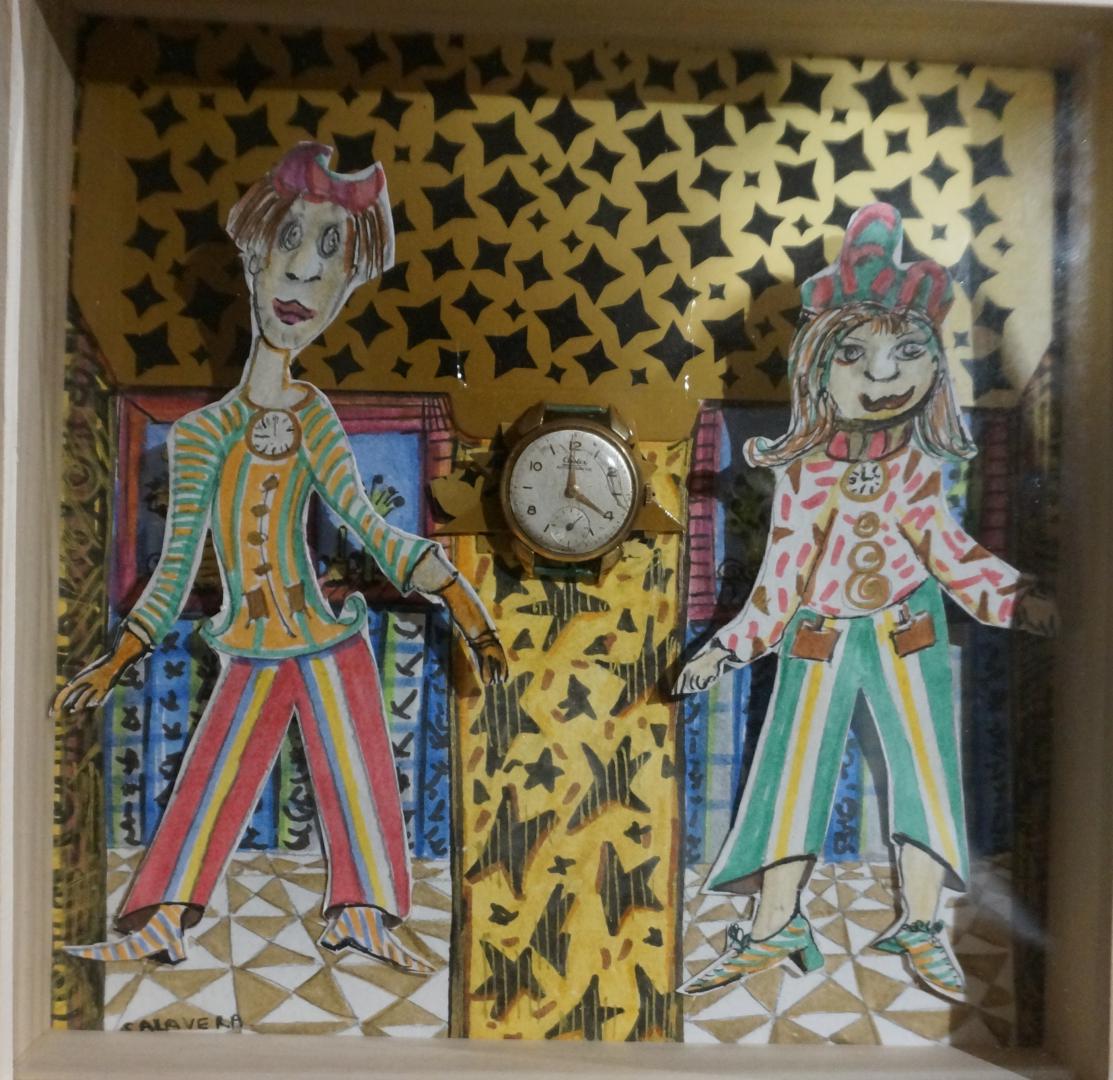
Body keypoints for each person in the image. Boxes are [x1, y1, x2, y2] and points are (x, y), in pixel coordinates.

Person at [54, 143, 507, 973]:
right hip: (249, 641)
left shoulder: (313, 414)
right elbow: (174, 568)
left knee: (358, 765)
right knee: (213, 772)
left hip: (326, 636)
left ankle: (362, 915)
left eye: (330, 257)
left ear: (345, 290)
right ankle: (161, 920)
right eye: (291, 243)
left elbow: (368, 526)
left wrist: (467, 609)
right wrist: (118, 658)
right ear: (254, 255)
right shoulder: (200, 435)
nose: (302, 273)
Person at [674, 203, 1056, 1000]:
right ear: (817, 366)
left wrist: (1017, 598)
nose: (882, 377)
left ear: (932, 366)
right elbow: (781, 573)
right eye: (854, 355)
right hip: (813, 632)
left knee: (925, 770)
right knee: (788, 770)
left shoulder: (916, 465)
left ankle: (921, 924)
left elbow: (945, 548)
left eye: (906, 353)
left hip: (907, 629)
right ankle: (775, 922)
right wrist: (728, 647)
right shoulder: (804, 470)